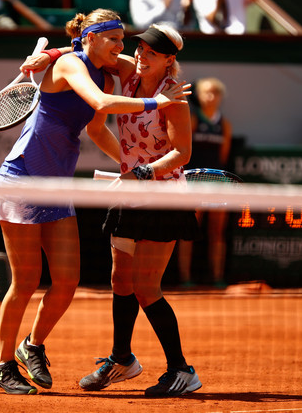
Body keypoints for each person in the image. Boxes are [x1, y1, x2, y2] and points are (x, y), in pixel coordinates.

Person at [0, 9, 191, 396]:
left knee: (66, 282)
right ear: (92, 38)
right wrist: (156, 104)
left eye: (122, 39)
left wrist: (132, 165)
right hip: (23, 179)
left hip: (59, 186)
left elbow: (152, 68)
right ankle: (2, 363)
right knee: (27, 281)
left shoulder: (110, 65)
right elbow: (100, 102)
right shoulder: (70, 66)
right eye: (113, 39)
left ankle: (32, 345)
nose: (123, 47)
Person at [76, 24, 202, 397]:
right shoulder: (129, 74)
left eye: (152, 53)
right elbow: (91, 55)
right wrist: (50, 55)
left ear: (169, 60)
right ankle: (121, 359)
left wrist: (147, 170)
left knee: (147, 288)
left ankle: (182, 370)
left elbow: (183, 153)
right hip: (130, 195)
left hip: (164, 200)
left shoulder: (175, 98)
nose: (141, 56)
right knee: (121, 280)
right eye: (141, 49)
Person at [178, 77, 232, 287]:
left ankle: (217, 278)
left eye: (215, 93)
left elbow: (223, 156)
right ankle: (185, 278)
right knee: (190, 230)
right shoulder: (192, 120)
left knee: (217, 232)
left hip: (217, 184)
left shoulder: (225, 125)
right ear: (199, 97)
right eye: (206, 92)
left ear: (221, 97)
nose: (211, 97)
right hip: (192, 183)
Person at [129, 0, 193, 30]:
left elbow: (187, 28)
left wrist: (187, 10)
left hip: (178, 41)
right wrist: (165, 5)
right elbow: (141, 25)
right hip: (152, 41)